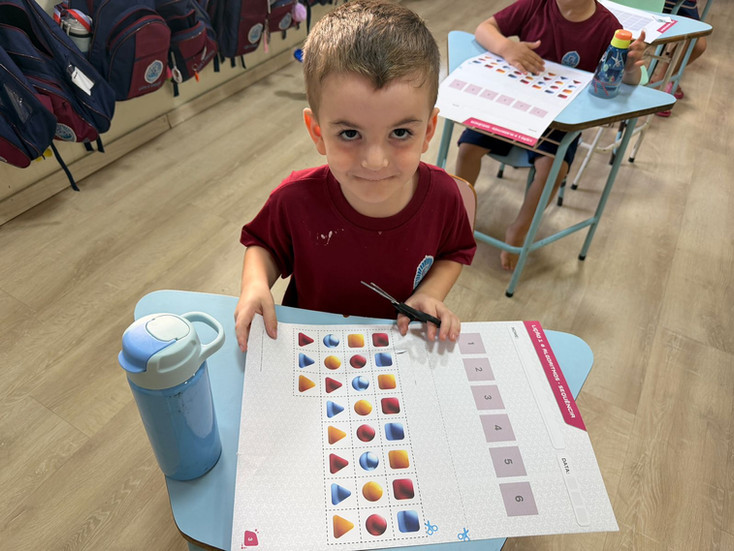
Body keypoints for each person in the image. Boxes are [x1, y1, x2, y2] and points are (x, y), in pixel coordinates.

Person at [234, 0, 476, 352]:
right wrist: (255, 285)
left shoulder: (444, 197)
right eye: (350, 134)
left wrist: (431, 293)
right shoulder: (295, 198)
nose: (375, 162)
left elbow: (454, 252)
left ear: (428, 131)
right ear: (317, 132)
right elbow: (264, 246)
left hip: (397, 350)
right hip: (311, 349)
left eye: (400, 133)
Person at [454, 0, 646, 271]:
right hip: (514, 105)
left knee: (552, 171)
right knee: (467, 149)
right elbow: (484, 28)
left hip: (559, 120)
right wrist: (507, 47)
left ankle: (519, 230)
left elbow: (628, 84)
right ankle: (461, 214)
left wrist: (630, 68)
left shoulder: (608, 27)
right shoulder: (535, 5)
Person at [652, 0, 708, 117]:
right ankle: (663, 81)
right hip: (653, 6)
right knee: (692, 35)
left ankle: (663, 78)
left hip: (683, 7)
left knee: (699, 45)